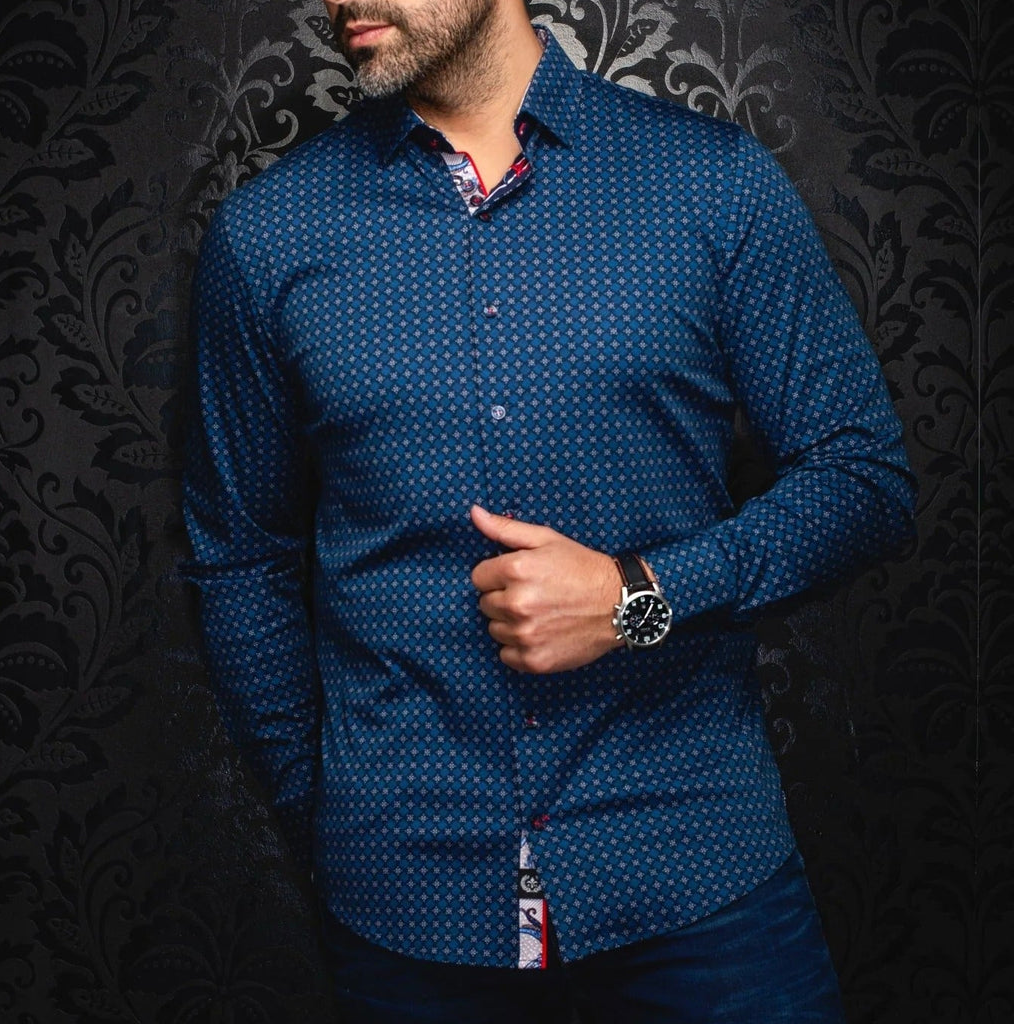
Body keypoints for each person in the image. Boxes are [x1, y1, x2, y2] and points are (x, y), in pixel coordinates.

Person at [181, 1, 917, 1020]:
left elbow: (863, 478)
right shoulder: (268, 236)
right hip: (408, 908)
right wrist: (340, 811)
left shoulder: (711, 183)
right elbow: (239, 557)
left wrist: (635, 598)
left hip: (697, 878)